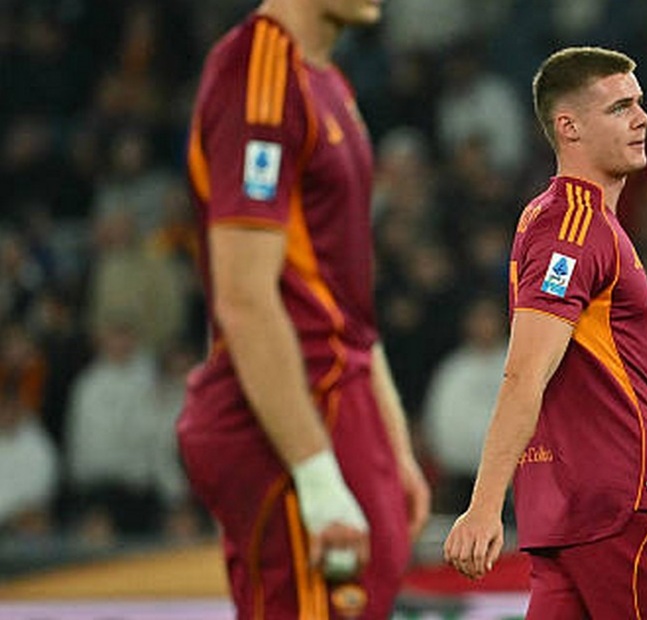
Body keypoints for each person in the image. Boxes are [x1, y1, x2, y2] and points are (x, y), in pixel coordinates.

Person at [442, 46, 647, 619]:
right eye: (620, 107)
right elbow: (526, 372)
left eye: (640, 103)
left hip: (569, 520)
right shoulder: (574, 226)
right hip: (629, 511)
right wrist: (483, 505)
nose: (643, 118)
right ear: (568, 127)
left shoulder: (555, 217)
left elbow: (570, 361)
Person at [176, 1, 430, 618]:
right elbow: (244, 297)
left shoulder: (328, 82)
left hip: (340, 401)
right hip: (293, 416)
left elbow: (345, 298)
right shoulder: (257, 72)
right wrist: (316, 475)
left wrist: (390, 441)